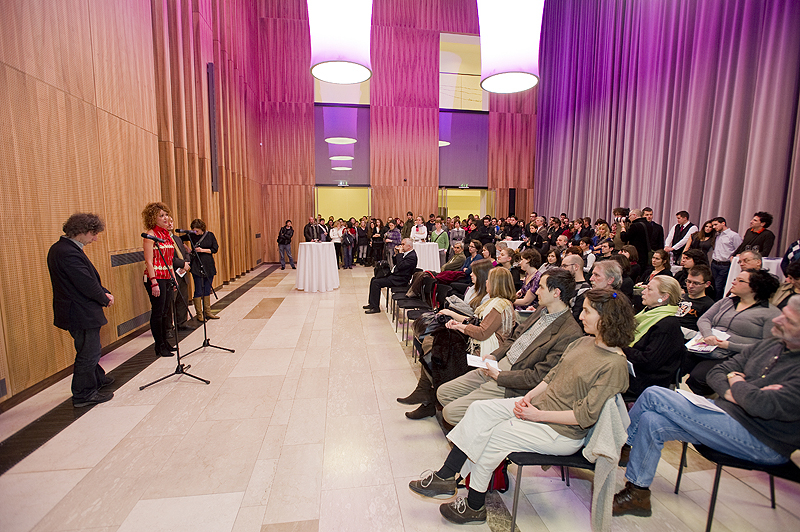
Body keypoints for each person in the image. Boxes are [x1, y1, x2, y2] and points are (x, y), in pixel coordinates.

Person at [409, 288, 635, 525]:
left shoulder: (614, 365)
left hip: (562, 431)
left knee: (496, 435)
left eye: (587, 311)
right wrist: (529, 398)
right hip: (540, 407)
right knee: (479, 410)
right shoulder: (584, 342)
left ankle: (474, 506)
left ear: (606, 318)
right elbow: (552, 376)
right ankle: (446, 476)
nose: (581, 316)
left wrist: (538, 415)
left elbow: (585, 416)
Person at [613, 295, 800, 519]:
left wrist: (737, 382)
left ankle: (618, 447)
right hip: (727, 413)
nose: (777, 319)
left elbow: (761, 405)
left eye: (789, 320)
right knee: (652, 420)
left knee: (653, 394)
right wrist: (737, 390)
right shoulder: (771, 344)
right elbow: (718, 372)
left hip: (763, 439)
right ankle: (637, 494)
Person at [437, 269, 583, 424]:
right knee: (443, 393)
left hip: (513, 382)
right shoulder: (542, 310)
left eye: (541, 287)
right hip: (499, 364)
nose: (536, 291)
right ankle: (476, 422)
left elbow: (538, 377)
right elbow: (514, 338)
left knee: (450, 413)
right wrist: (494, 356)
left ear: (556, 293)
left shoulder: (569, 333)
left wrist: (500, 376)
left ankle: (483, 428)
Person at [400, 264, 515, 419]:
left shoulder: (500, 306)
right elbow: (476, 322)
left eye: (489, 280)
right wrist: (458, 323)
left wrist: (460, 326)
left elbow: (482, 332)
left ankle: (426, 396)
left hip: (485, 350)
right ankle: (425, 395)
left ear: (497, 283)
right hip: (478, 342)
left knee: (438, 348)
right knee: (435, 340)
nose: (486, 282)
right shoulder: (495, 303)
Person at [47, 213, 115, 407]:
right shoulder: (66, 252)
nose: (95, 239)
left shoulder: (65, 248)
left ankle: (98, 378)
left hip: (79, 310)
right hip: (79, 312)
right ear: (81, 231)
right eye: (93, 234)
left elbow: (88, 278)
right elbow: (85, 283)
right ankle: (83, 394)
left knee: (89, 348)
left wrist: (104, 291)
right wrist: (104, 298)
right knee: (89, 352)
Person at [686, 268, 781, 395]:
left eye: (740, 280)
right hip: (706, 346)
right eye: (735, 279)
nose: (733, 282)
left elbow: (767, 347)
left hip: (735, 355)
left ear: (755, 287)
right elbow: (704, 319)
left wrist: (729, 345)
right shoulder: (727, 301)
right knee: (669, 359)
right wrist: (708, 334)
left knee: (698, 377)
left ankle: (708, 400)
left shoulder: (771, 313)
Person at [623, 276, 685, 401]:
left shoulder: (667, 325)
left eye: (649, 289)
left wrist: (621, 347)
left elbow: (647, 362)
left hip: (646, 381)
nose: (643, 292)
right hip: (633, 370)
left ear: (664, 297)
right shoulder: (646, 313)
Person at [142, 203, 178, 356]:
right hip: (155, 277)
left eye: (166, 215)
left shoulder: (166, 235)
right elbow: (149, 261)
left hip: (167, 276)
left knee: (165, 311)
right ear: (153, 218)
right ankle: (159, 345)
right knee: (158, 312)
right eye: (161, 216)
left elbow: (169, 260)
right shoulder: (150, 235)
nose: (165, 218)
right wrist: (154, 282)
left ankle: (165, 342)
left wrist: (174, 278)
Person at [364, 238, 417, 314]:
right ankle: (372, 304)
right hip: (396, 276)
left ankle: (376, 308)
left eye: (403, 244)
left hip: (400, 280)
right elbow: (396, 263)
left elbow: (401, 266)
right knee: (374, 279)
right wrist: (396, 254)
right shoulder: (406, 254)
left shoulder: (412, 256)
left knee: (376, 282)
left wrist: (400, 254)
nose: (401, 246)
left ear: (409, 246)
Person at [676, 264, 715, 335]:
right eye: (688, 281)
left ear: (707, 284)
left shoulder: (709, 305)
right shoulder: (681, 297)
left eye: (696, 283)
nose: (690, 286)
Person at [710, 216, 743, 300]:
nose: (714, 227)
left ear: (723, 223)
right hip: (715, 263)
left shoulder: (733, 235)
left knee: (719, 286)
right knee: (713, 285)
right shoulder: (717, 235)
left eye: (716, 224)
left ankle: (718, 303)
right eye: (713, 225)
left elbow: (739, 248)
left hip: (725, 264)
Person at [169, 217, 192, 330]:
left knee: (183, 298)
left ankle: (182, 323)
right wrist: (182, 264)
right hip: (172, 273)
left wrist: (186, 262)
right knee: (171, 301)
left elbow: (185, 252)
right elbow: (169, 258)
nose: (170, 224)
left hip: (182, 273)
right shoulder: (163, 240)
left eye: (171, 221)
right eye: (168, 222)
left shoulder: (177, 239)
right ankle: (169, 327)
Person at [561, 254, 592, 327]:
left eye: (565, 266)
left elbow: (576, 319)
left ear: (576, 267)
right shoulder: (565, 286)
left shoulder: (585, 291)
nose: (562, 269)